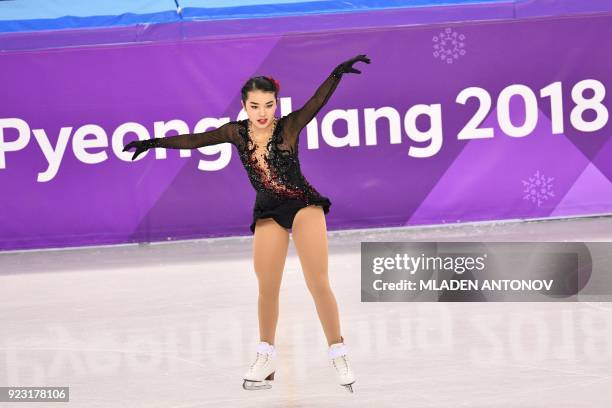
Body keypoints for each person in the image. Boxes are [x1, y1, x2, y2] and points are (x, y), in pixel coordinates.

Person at [123, 54, 371, 393]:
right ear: (244, 105)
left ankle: (338, 351)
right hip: (268, 210)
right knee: (267, 288)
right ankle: (266, 356)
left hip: (302, 204)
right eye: (255, 106)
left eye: (268, 105)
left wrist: (335, 74)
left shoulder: (290, 126)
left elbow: (317, 101)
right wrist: (152, 143)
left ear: (276, 104)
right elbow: (195, 140)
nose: (263, 112)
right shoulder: (236, 133)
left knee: (318, 282)